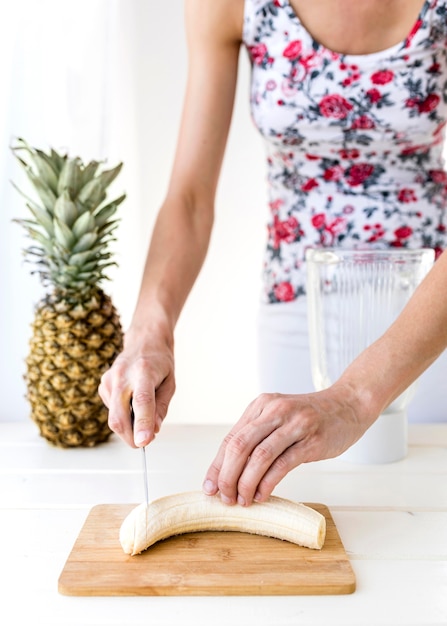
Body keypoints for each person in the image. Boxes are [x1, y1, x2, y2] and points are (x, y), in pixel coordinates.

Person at [99, 0, 447, 506]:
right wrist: (149, 332)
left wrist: (354, 397)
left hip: (428, 319)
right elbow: (190, 200)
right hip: (296, 311)